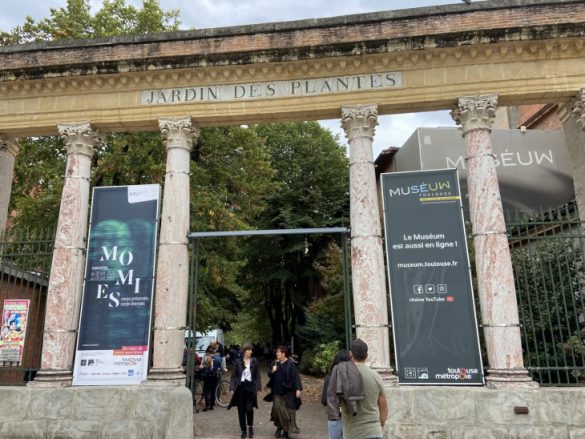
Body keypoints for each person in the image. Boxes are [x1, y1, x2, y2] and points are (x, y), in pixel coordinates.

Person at [342, 339, 388, 439]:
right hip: (373, 432)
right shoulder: (376, 376)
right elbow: (383, 407)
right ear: (367, 355)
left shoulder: (343, 376)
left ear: (350, 354)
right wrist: (381, 424)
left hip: (353, 434)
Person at [228, 343, 262, 438]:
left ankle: (250, 427)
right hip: (240, 388)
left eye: (251, 350)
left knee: (249, 409)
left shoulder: (254, 361)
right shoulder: (238, 362)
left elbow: (257, 375)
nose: (250, 352)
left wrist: (258, 387)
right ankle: (243, 430)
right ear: (244, 351)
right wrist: (232, 387)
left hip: (251, 388)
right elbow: (233, 376)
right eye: (248, 350)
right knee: (241, 410)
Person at [268, 345, 302, 438]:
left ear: (283, 354)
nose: (276, 353)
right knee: (278, 411)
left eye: (278, 352)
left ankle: (286, 431)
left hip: (288, 392)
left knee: (288, 412)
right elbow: (269, 374)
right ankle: (279, 428)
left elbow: (296, 377)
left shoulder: (290, 364)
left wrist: (298, 389)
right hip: (277, 392)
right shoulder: (275, 363)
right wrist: (272, 370)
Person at [321, 349, 350, 439]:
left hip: (334, 416)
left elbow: (324, 401)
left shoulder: (329, 378)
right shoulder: (352, 377)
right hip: (349, 417)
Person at [201, 345, 220, 411]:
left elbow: (202, 366)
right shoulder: (217, 359)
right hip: (214, 377)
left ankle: (207, 405)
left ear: (208, 353)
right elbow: (219, 367)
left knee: (206, 391)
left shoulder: (206, 358)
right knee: (213, 391)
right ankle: (212, 405)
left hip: (207, 377)